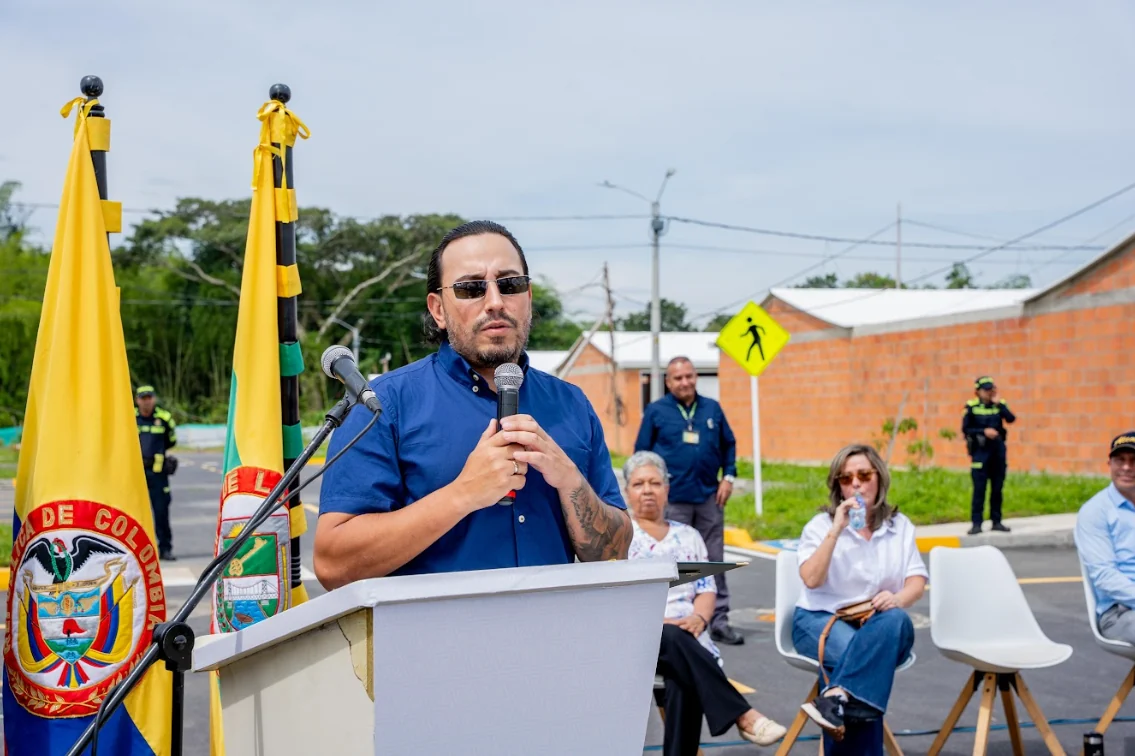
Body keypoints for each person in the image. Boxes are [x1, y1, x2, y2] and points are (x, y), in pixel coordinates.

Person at [314, 220, 631, 586]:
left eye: (510, 284)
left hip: (553, 636)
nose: (495, 302)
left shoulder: (571, 403)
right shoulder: (381, 405)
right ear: (438, 310)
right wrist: (463, 494)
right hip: (433, 639)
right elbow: (333, 565)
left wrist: (571, 482)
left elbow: (615, 554)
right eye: (471, 288)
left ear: (527, 297)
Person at [624, 451, 786, 753]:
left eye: (655, 483)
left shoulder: (690, 536)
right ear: (626, 491)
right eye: (639, 484)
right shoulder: (622, 537)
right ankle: (743, 714)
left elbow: (706, 588)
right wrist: (665, 625)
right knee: (676, 639)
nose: (647, 490)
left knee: (682, 674)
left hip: (688, 638)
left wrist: (699, 619)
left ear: (667, 489)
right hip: (641, 638)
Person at [792, 444, 927, 749]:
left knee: (896, 619)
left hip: (877, 625)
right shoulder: (820, 527)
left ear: (879, 477)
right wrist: (836, 530)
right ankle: (840, 698)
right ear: (837, 486)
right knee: (865, 665)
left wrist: (897, 598)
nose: (855, 483)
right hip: (820, 619)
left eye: (864, 475)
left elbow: (916, 581)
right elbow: (811, 580)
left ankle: (834, 698)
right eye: (845, 478)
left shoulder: (899, 526)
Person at [634, 356, 743, 646]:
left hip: (708, 496)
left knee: (714, 561)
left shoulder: (712, 408)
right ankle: (671, 620)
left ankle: (717, 620)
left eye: (689, 376)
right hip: (673, 502)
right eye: (677, 378)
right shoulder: (657, 411)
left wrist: (728, 477)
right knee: (675, 564)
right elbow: (641, 454)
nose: (684, 382)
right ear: (668, 382)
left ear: (695, 377)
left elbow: (729, 444)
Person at [1075, 432, 1135, 643]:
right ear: (1109, 463)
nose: (1127, 467)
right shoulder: (1096, 511)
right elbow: (1105, 577)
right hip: (1120, 613)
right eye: (1120, 460)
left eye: (1134, 460)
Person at [962, 375, 1017, 535]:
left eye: (991, 389)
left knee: (997, 489)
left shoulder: (999, 405)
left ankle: (996, 521)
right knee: (979, 490)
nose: (988, 392)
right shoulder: (971, 407)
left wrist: (999, 404)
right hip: (980, 453)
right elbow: (966, 429)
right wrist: (983, 431)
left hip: (997, 452)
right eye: (985, 389)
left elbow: (1011, 419)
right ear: (977, 391)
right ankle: (976, 523)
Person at [135, 384, 178, 561]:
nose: (146, 402)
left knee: (161, 513)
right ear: (137, 400)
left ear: (154, 399)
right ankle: (137, 552)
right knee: (135, 514)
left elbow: (171, 441)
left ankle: (165, 548)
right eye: (143, 398)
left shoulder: (165, 418)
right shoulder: (130, 417)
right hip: (136, 475)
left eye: (149, 398)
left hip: (158, 474)